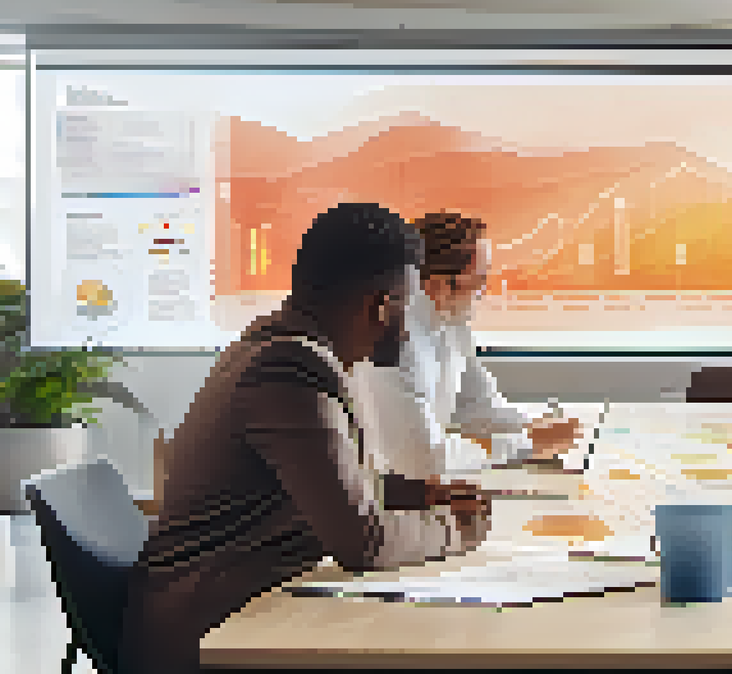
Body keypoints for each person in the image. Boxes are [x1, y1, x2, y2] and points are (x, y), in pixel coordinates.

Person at [117, 204, 492, 674]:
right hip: (208, 631)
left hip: (243, 605)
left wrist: (422, 493)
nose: (408, 322)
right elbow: (366, 544)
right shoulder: (288, 372)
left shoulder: (277, 346)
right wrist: (460, 531)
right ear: (380, 305)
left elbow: (330, 479)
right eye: (406, 302)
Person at [350, 211, 582, 483]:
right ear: (439, 284)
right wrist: (526, 443)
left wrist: (533, 424)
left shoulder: (450, 322)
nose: (483, 292)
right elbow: (420, 459)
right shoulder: (390, 344)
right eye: (479, 281)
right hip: (383, 495)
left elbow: (475, 405)